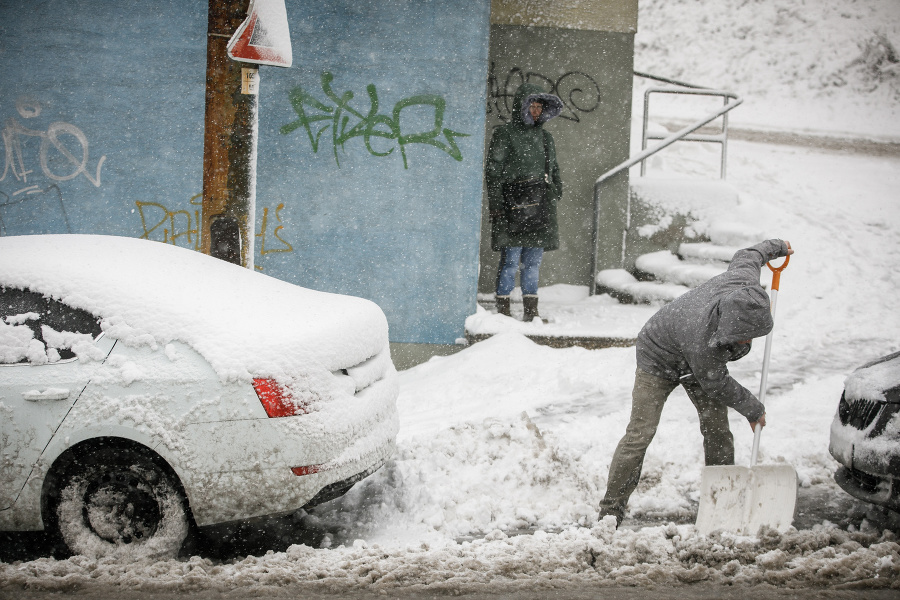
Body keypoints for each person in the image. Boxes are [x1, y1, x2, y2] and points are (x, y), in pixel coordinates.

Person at [598, 239, 794, 527]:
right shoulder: (703, 342)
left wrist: (778, 246)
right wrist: (753, 409)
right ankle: (610, 510)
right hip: (658, 355)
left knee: (717, 428)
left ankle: (722, 503)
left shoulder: (743, 280)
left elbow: (749, 254)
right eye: (742, 337)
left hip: (693, 349)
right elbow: (717, 383)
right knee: (640, 433)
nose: (747, 342)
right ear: (728, 324)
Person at [486, 83, 563, 322]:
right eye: (532, 105)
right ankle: (504, 308)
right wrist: (498, 204)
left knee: (533, 263)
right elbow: (493, 171)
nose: (536, 111)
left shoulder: (545, 137)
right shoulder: (505, 134)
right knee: (510, 262)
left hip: (540, 207)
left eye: (540, 107)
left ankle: (531, 310)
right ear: (522, 105)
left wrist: (555, 191)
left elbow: (554, 168)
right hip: (513, 206)